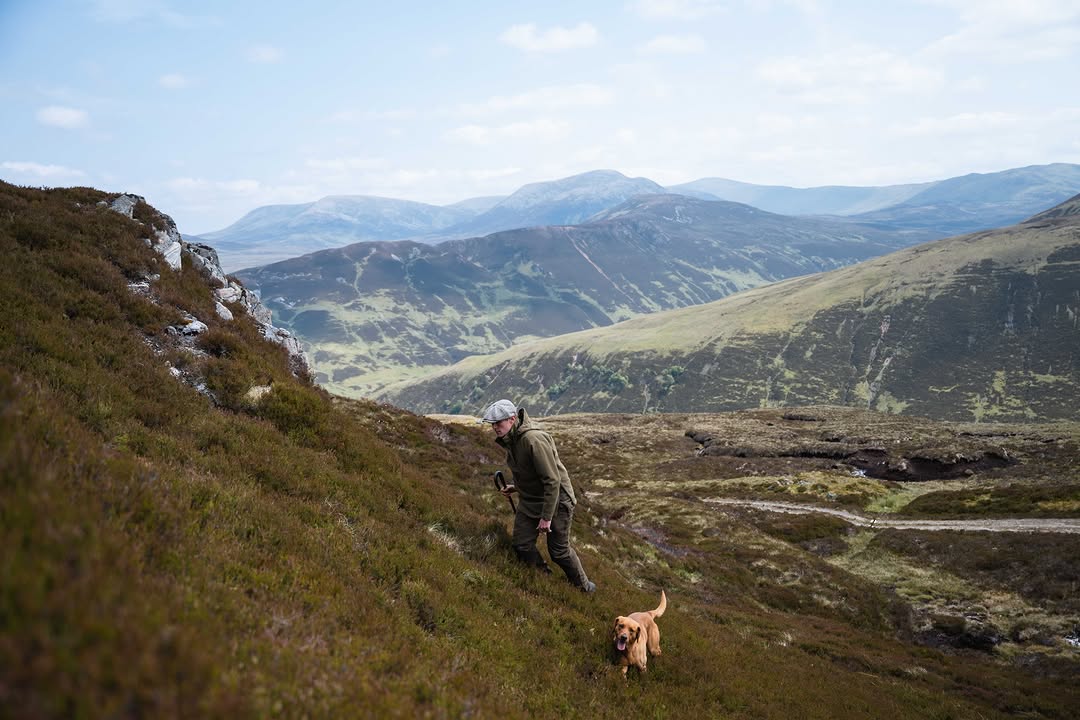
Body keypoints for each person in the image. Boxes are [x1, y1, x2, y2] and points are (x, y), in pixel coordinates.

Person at [481, 399, 596, 593]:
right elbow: (530, 472)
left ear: (512, 419)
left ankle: (584, 588)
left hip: (557, 501)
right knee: (521, 544)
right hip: (530, 500)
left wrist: (546, 517)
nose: (494, 427)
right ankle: (544, 578)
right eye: (492, 424)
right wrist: (515, 487)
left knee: (559, 552)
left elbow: (552, 480)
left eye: (498, 423)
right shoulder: (511, 439)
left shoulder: (533, 440)